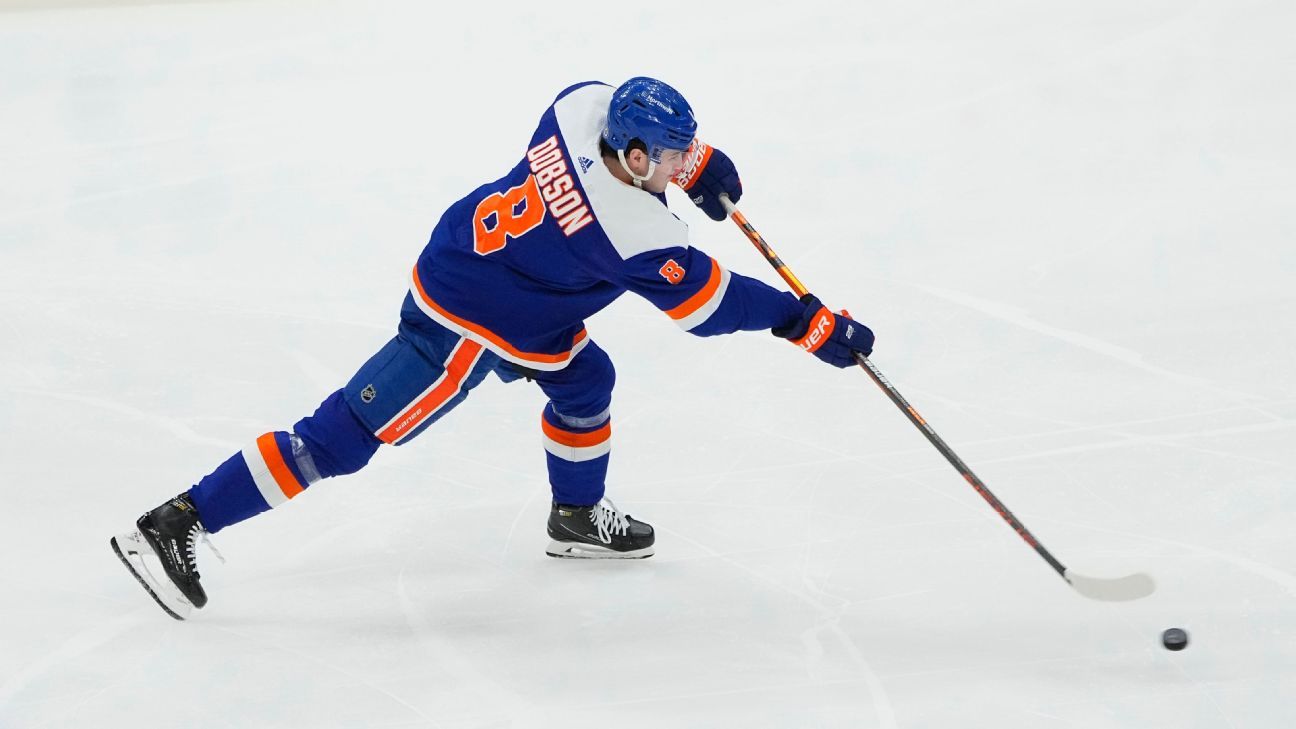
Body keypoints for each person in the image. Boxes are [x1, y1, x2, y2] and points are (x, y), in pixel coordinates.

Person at [110, 77, 876, 620]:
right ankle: (179, 518)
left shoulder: (578, 109)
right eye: (674, 157)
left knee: (585, 381)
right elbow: (715, 306)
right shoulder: (636, 231)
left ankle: (574, 516)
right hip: (467, 324)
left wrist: (697, 163)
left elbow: (615, 124)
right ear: (636, 159)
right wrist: (805, 322)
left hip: (506, 286)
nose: (683, 166)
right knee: (340, 438)